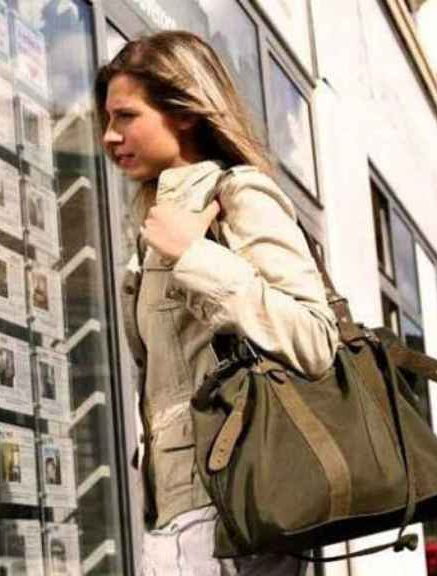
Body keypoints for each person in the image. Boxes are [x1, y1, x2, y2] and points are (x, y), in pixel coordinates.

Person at [95, 31, 339, 575]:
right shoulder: (153, 223)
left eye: (127, 117)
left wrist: (196, 257)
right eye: (108, 121)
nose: (110, 138)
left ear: (183, 112)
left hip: (236, 510)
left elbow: (316, 338)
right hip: (174, 514)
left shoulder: (239, 195)